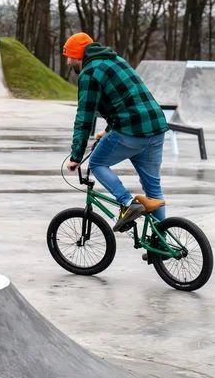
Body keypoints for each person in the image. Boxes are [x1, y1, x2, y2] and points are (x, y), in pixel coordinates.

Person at [64, 32, 168, 232]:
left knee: (97, 163)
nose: (68, 62)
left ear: (79, 56)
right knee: (153, 189)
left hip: (131, 131)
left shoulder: (89, 72)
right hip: (156, 127)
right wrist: (109, 130)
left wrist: (76, 156)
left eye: (69, 57)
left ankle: (128, 203)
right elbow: (126, 99)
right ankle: (161, 245)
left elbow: (84, 116)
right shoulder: (116, 59)